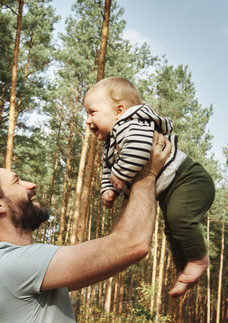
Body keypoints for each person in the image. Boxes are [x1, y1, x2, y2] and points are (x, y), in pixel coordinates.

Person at [0, 132, 171, 323]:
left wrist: (129, 188)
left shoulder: (9, 268)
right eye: (17, 181)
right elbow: (132, 244)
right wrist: (148, 174)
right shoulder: (9, 265)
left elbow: (118, 244)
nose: (31, 185)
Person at [83, 76, 215, 297]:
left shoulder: (131, 125)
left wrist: (119, 174)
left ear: (119, 110)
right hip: (171, 188)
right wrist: (109, 189)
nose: (87, 121)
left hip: (188, 179)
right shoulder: (111, 144)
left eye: (92, 112)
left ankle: (198, 259)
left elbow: (141, 148)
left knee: (179, 219)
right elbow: (108, 169)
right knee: (172, 228)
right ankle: (185, 271)